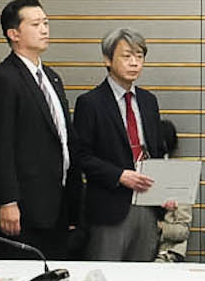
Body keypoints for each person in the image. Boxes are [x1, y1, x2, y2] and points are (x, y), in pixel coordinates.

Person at [0, 0, 73, 260]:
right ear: (13, 34)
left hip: (57, 204)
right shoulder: (2, 79)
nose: (44, 29)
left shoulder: (52, 78)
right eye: (35, 24)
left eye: (45, 22)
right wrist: (8, 201)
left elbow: (65, 141)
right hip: (23, 207)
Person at [72, 28, 177, 263]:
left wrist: (165, 192)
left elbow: (156, 153)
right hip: (110, 207)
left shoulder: (149, 101)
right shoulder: (90, 103)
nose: (134, 63)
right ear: (107, 60)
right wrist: (119, 175)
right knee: (107, 276)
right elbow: (81, 156)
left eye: (139, 57)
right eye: (127, 56)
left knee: (141, 277)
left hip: (147, 206)